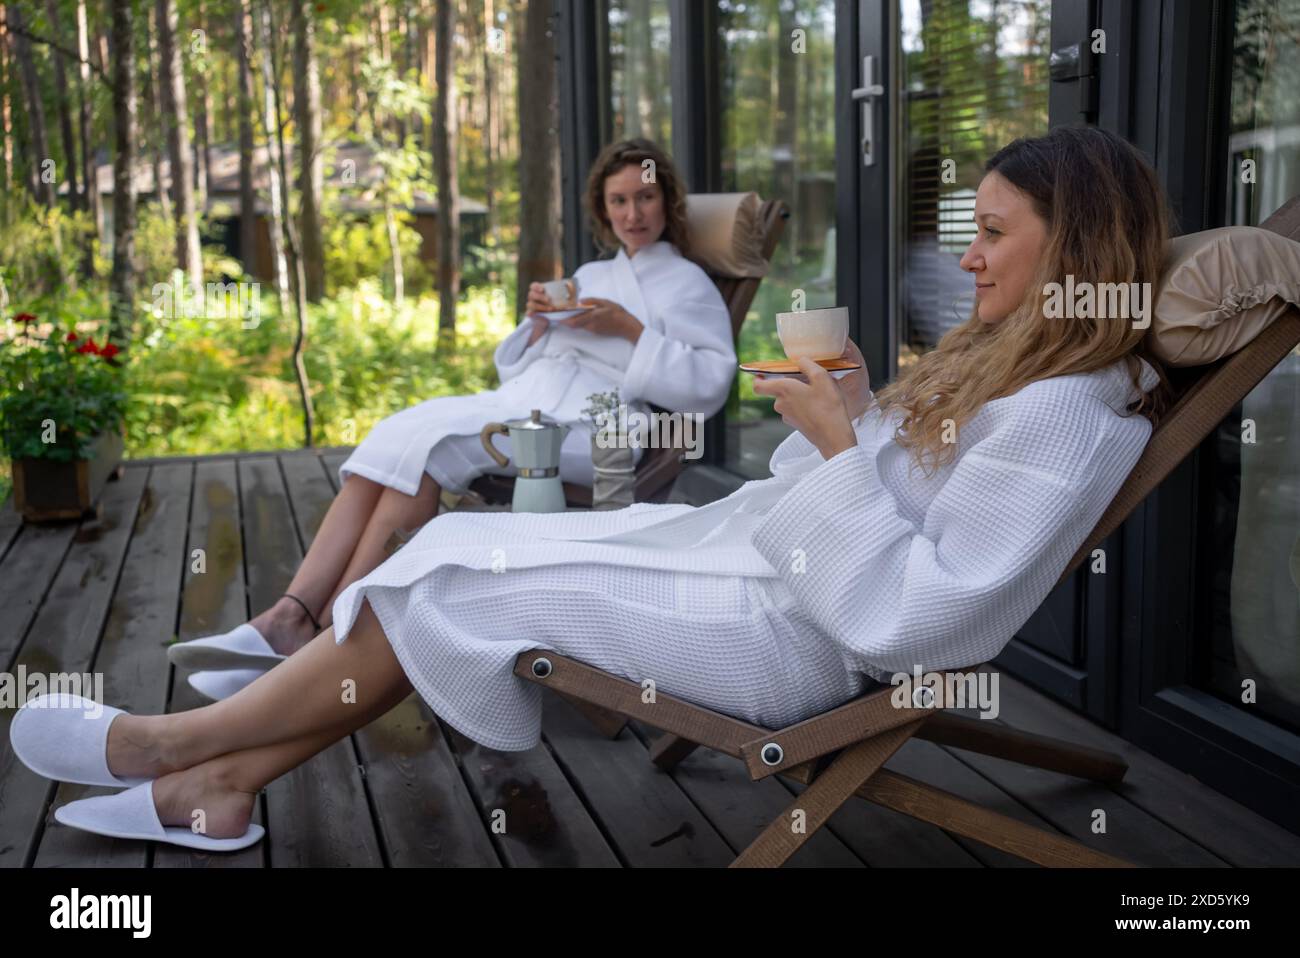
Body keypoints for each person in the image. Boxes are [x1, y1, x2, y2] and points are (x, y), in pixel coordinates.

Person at [12, 126, 1174, 850]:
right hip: (767, 571)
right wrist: (862, 416)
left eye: (996, 231)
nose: (967, 253)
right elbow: (915, 502)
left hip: (801, 638)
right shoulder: (1034, 366)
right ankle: (215, 780)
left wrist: (836, 447)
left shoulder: (1070, 413)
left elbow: (930, 618)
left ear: (1075, 245)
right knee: (441, 553)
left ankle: (176, 747)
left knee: (462, 579)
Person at [166, 138, 736, 696]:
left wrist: (630, 333)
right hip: (530, 401)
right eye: (618, 201)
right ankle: (288, 615)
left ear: (667, 203)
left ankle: (324, 639)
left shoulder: (688, 283)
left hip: (600, 428)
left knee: (437, 447)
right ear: (602, 210)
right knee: (394, 436)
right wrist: (538, 323)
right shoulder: (590, 275)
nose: (632, 213)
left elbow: (711, 383)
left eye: (645, 198)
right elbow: (515, 367)